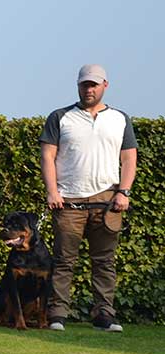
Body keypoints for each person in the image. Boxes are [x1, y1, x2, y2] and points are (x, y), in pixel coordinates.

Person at [41, 64, 136, 333]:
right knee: (63, 261)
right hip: (69, 200)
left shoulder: (120, 119)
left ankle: (104, 314)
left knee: (104, 262)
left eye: (94, 84)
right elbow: (47, 155)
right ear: (78, 85)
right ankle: (57, 314)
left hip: (107, 200)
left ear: (105, 85)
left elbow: (128, 158)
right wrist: (52, 191)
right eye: (85, 84)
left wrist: (124, 191)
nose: (89, 89)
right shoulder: (60, 117)